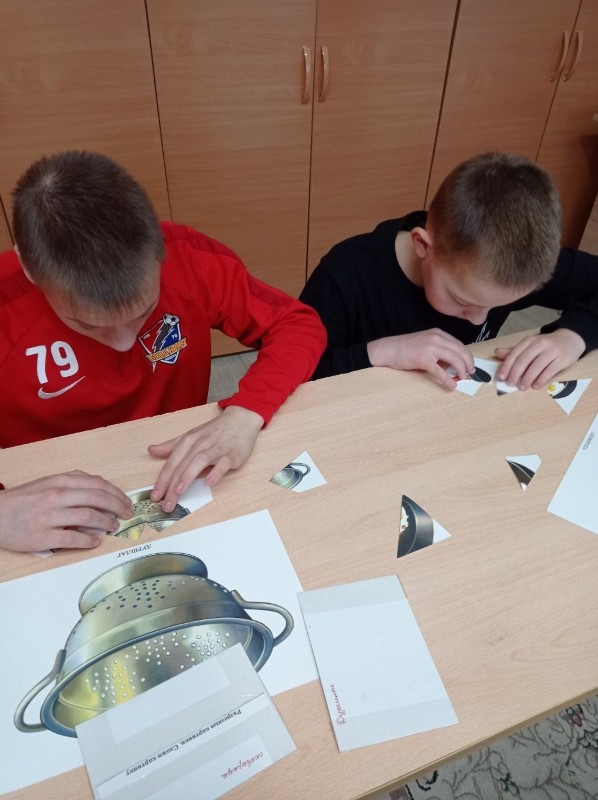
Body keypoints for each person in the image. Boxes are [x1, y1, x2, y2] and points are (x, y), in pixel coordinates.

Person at [0, 151, 326, 552]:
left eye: (145, 312)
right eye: (87, 324)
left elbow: (297, 324)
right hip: (46, 500)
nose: (125, 343)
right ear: (29, 268)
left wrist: (246, 412)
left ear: (159, 247)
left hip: (178, 475)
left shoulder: (187, 256)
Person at [299, 152, 598, 390]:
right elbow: (298, 374)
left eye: (497, 306)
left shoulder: (512, 263)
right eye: (463, 301)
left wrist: (573, 336)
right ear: (423, 245)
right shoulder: (345, 274)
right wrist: (382, 352)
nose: (480, 319)